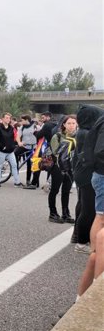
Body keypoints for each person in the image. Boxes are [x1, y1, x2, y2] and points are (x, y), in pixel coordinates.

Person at [72, 105, 103, 252]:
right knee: (89, 210)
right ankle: (82, 241)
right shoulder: (85, 133)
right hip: (86, 173)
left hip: (82, 172)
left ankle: (77, 235)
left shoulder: (84, 131)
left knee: (84, 206)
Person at [48, 115, 77, 223]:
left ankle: (66, 214)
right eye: (69, 123)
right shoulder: (58, 136)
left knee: (66, 191)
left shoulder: (78, 137)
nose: (71, 125)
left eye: (73, 123)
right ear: (64, 124)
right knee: (54, 190)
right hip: (58, 167)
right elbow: (55, 152)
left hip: (71, 168)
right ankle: (52, 213)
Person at [0, 112, 23, 188]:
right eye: (6, 118)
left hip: (10, 151)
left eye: (9, 118)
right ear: (3, 119)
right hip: (2, 151)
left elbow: (16, 136)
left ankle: (17, 182)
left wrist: (18, 143)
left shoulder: (12, 128)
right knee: (0, 165)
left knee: (14, 165)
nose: (8, 119)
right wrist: (2, 146)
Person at [32, 111, 58, 189]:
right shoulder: (56, 124)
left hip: (49, 147)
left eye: (43, 118)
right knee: (53, 165)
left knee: (39, 162)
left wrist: (35, 132)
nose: (42, 119)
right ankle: (49, 183)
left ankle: (35, 183)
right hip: (57, 147)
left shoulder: (47, 125)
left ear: (48, 117)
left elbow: (39, 135)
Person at [17, 114, 38, 188]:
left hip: (33, 147)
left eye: (22, 120)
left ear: (26, 120)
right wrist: (19, 142)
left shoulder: (35, 126)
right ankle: (15, 167)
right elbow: (18, 136)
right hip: (24, 146)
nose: (21, 121)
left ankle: (28, 180)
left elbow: (40, 135)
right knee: (15, 153)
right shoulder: (22, 127)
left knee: (30, 164)